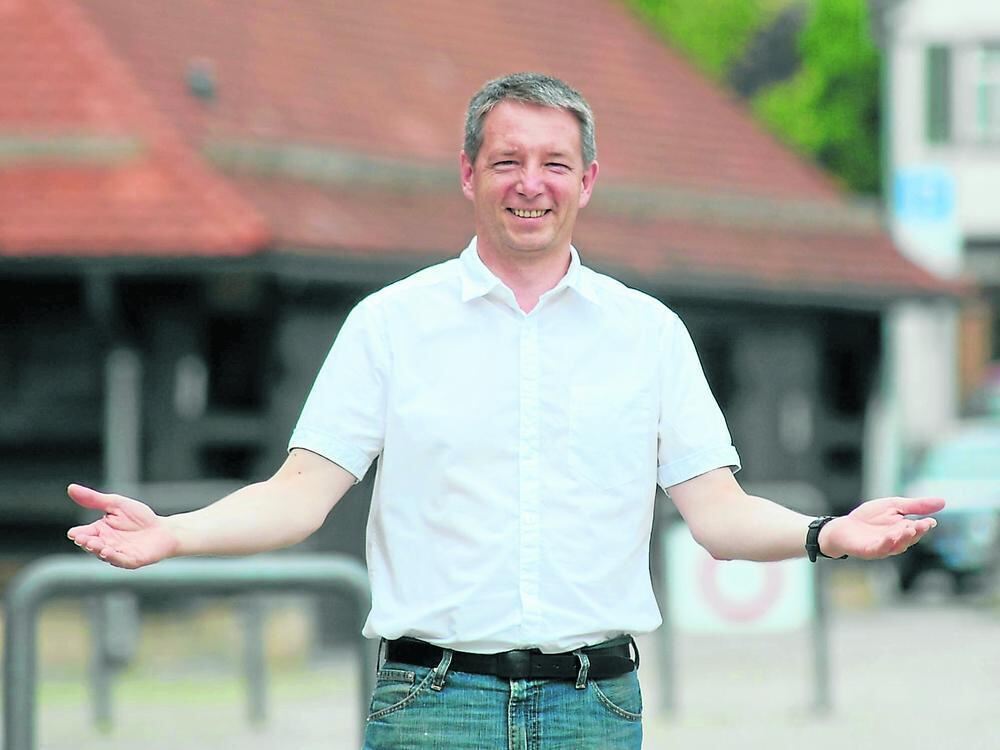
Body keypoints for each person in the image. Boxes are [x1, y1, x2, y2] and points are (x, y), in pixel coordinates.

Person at [66, 72, 943, 750]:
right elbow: (298, 497)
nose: (532, 184)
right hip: (430, 702)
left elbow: (718, 515)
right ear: (468, 174)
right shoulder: (389, 326)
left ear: (587, 181)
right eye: (507, 162)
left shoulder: (648, 334)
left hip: (595, 707)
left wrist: (830, 533)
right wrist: (173, 534)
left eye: (554, 164)